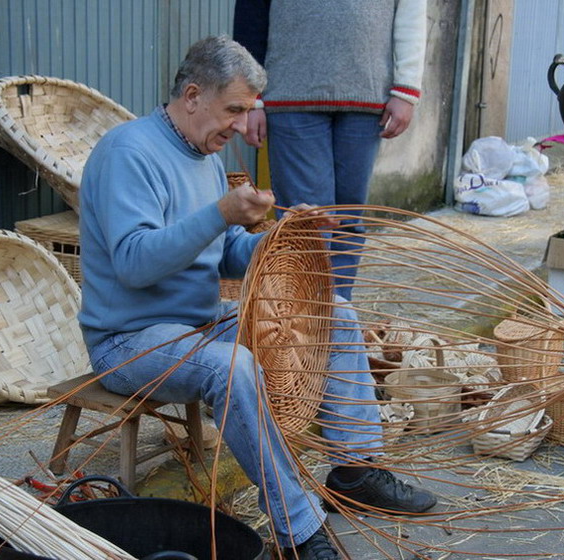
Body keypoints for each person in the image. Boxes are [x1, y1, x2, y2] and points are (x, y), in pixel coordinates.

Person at [78, 35, 435, 560]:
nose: (243, 126)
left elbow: (226, 255)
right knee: (232, 367)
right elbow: (134, 264)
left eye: (248, 111)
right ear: (193, 94)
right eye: (235, 109)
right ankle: (301, 533)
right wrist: (221, 212)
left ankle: (356, 470)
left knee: (331, 313)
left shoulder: (204, 155)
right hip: (129, 339)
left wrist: (287, 237)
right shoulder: (127, 151)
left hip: (198, 323)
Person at [234, 0, 427, 300]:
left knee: (348, 223)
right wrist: (251, 97)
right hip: (289, 96)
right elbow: (252, 12)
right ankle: (301, 327)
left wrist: (407, 88)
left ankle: (334, 325)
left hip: (367, 96)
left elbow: (411, 10)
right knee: (305, 226)